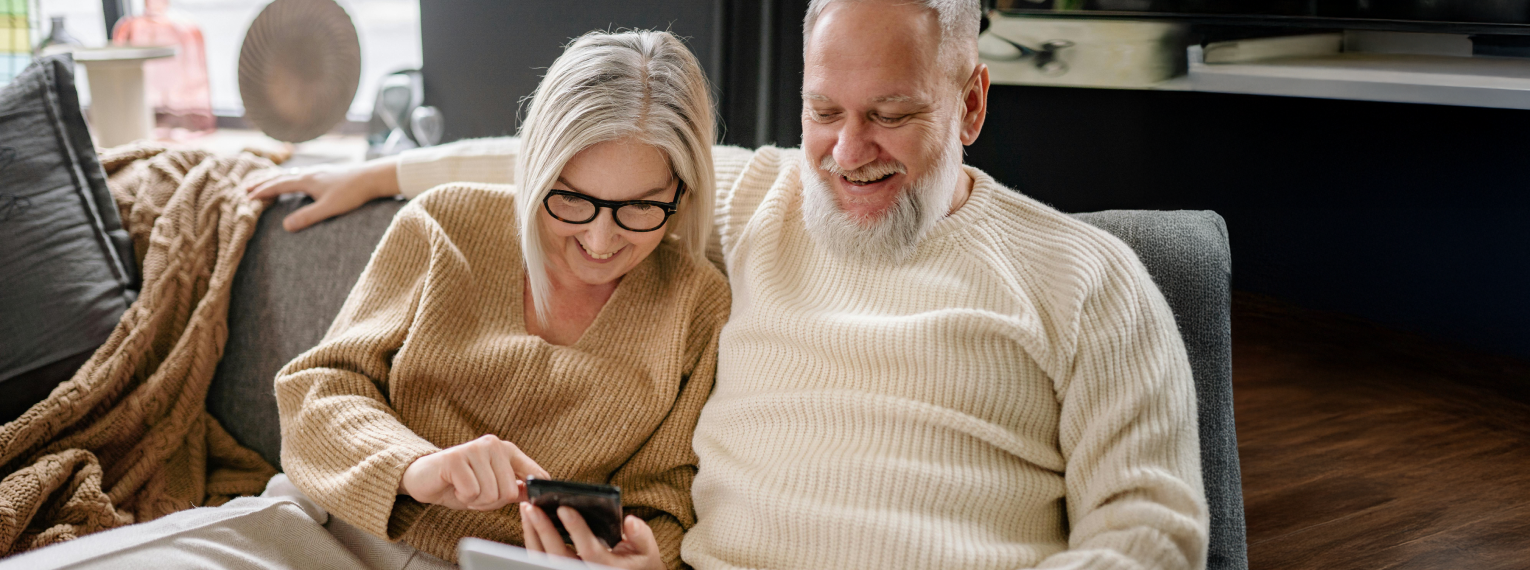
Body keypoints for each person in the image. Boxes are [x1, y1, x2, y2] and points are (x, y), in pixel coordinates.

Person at [251, 1, 1211, 569]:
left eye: (890, 114)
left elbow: (1152, 529)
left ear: (971, 100)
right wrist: (382, 174)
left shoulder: (1090, 280)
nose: (847, 153)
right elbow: (581, 152)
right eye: (823, 111)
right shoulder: (758, 199)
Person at [0, 30, 721, 570]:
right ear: (535, 171)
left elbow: (664, 495)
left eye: (639, 209)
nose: (599, 237)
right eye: (571, 199)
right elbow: (318, 390)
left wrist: (644, 555)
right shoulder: (449, 224)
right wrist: (417, 466)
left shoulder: (696, 304)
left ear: (681, 195)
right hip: (325, 532)